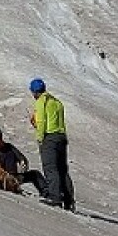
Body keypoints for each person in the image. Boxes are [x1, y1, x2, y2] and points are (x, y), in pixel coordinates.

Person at [29, 78, 75, 210]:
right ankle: (69, 200)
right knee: (62, 169)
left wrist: (39, 137)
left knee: (50, 167)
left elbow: (42, 121)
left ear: (34, 92)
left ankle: (54, 197)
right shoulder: (56, 101)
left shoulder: (41, 102)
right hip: (61, 137)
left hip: (49, 137)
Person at [0, 126, 49, 197]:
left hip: (14, 178)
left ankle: (46, 192)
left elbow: (21, 157)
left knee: (35, 174)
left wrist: (23, 163)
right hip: (1, 180)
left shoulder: (9, 147)